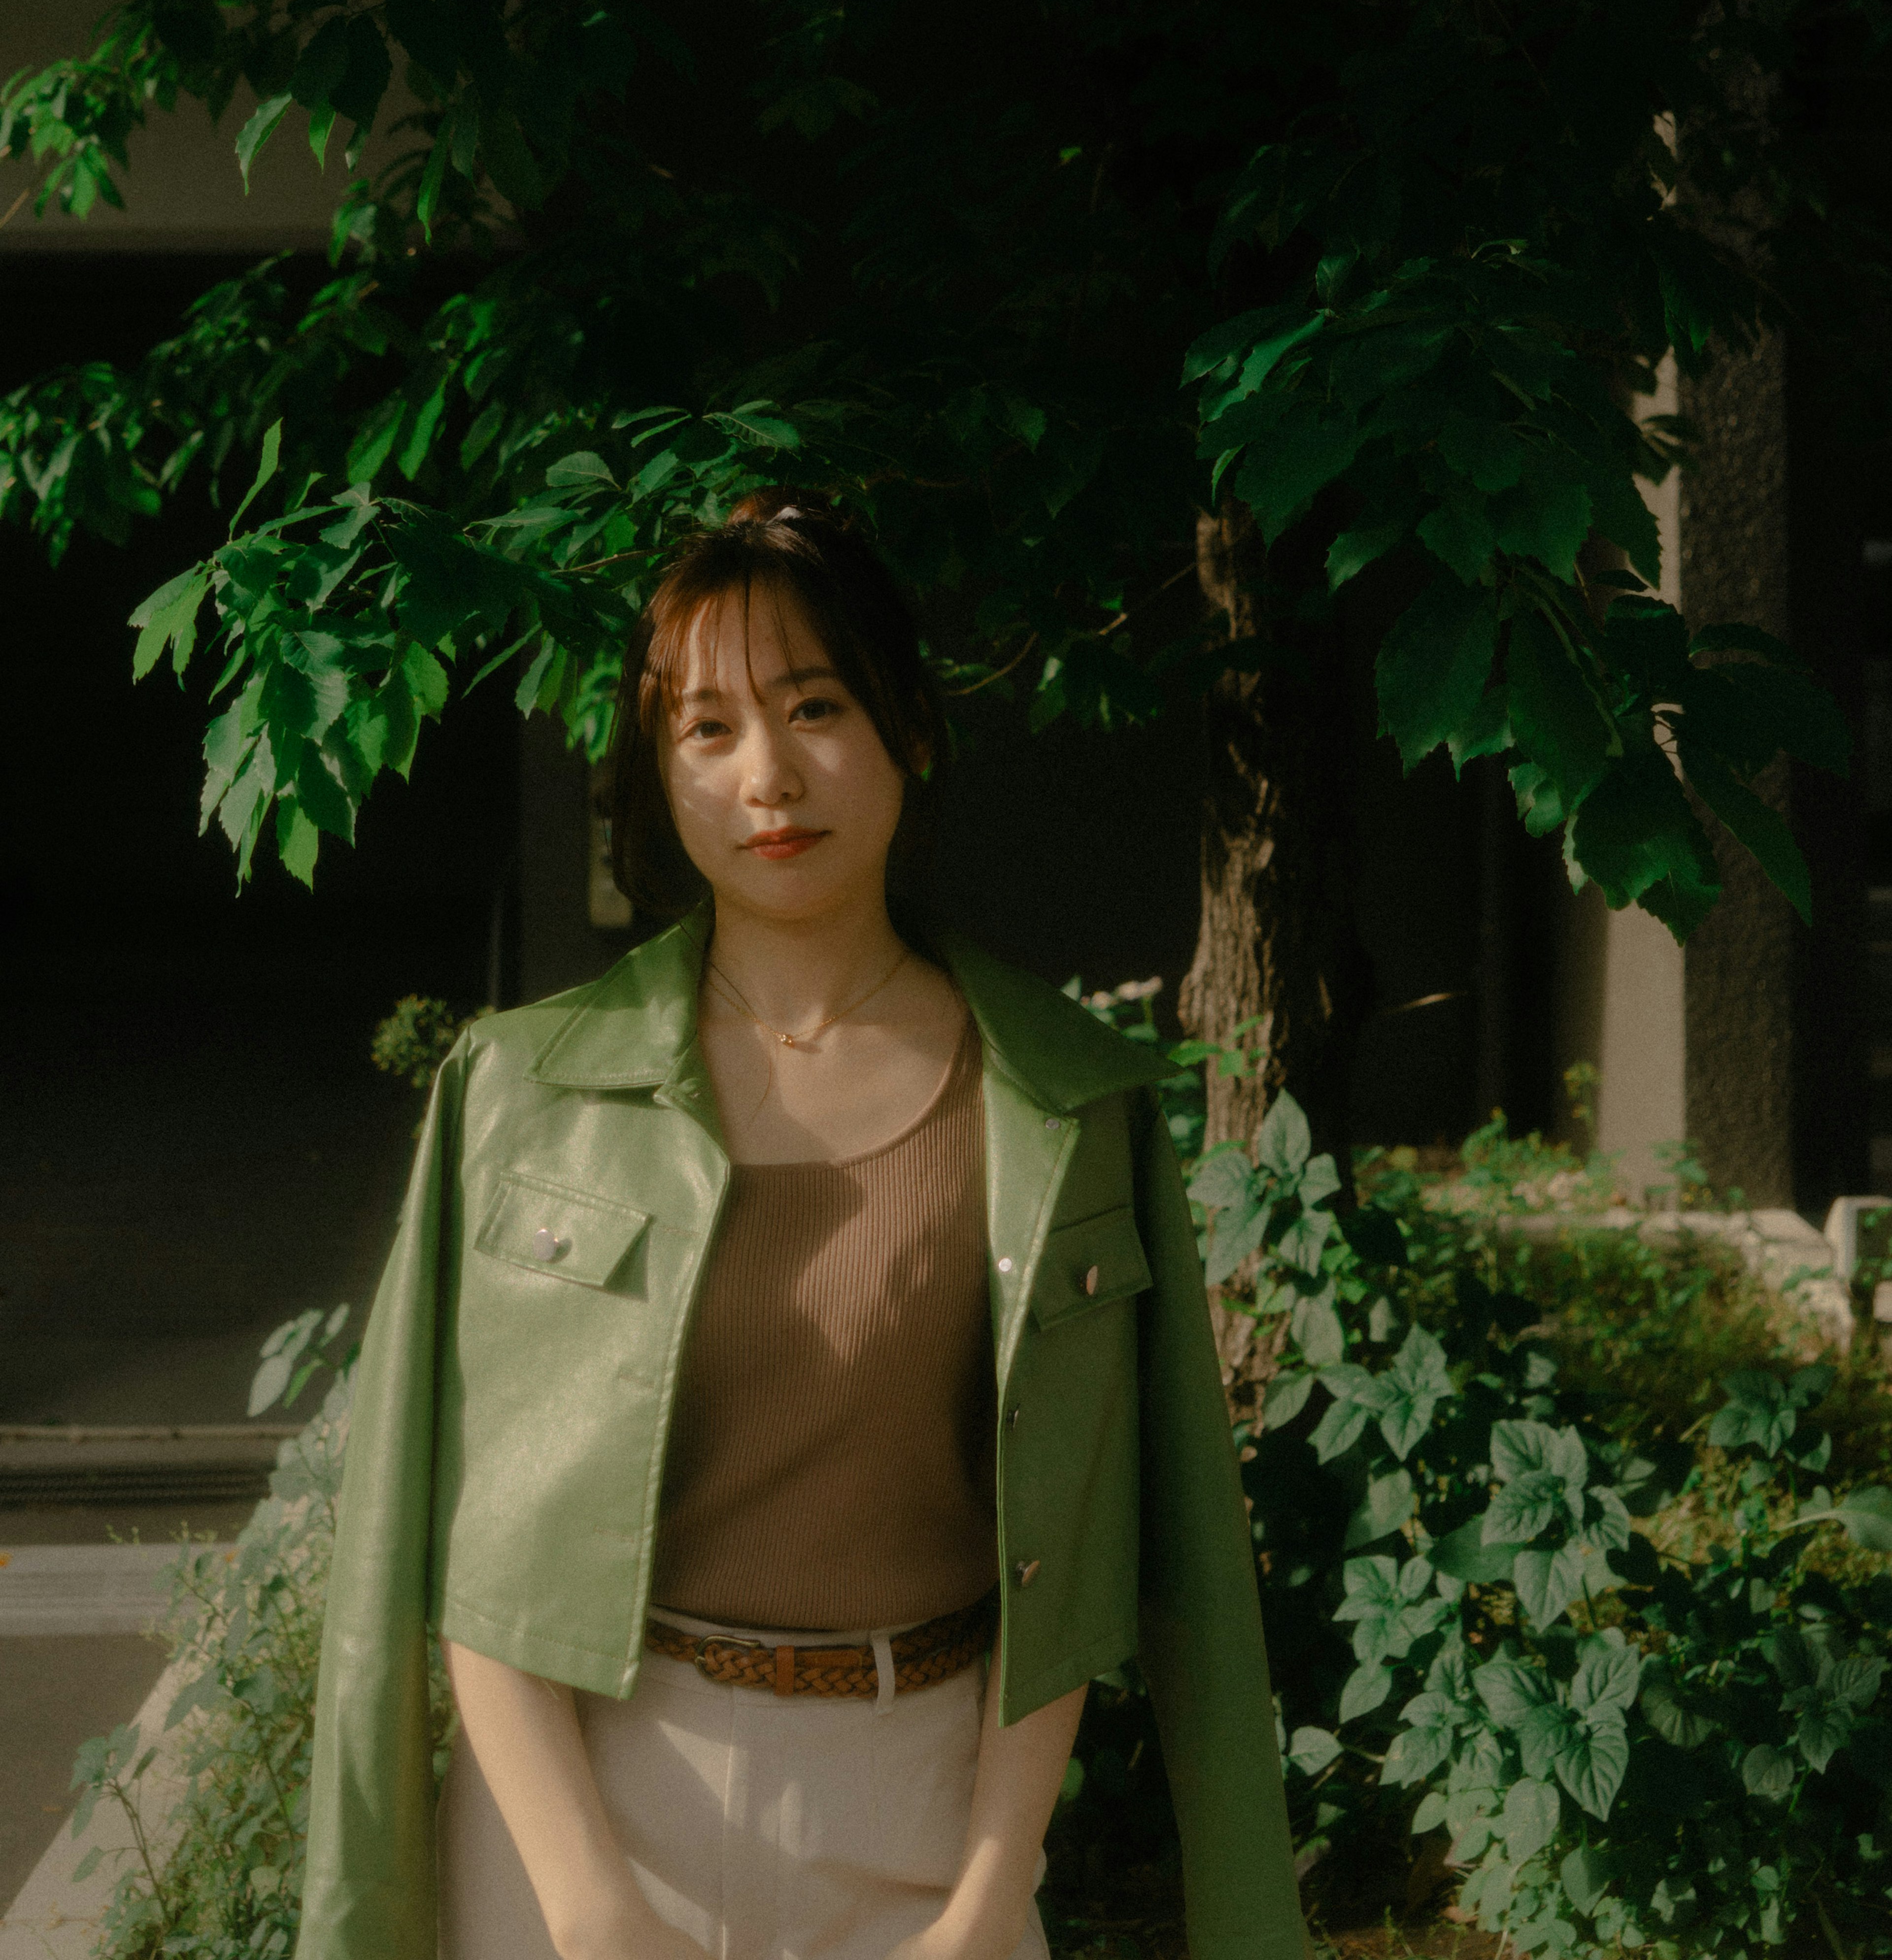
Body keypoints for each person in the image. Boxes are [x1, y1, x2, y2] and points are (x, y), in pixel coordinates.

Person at [295, 493, 1304, 1960]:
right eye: (707, 729)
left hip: (921, 1811)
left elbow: (1086, 1557)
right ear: (658, 776)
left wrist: (986, 1894)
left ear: (911, 727)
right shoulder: (526, 1090)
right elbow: (462, 1538)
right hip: (583, 1810)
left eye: (815, 705)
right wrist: (583, 1904)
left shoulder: (1065, 1103)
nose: (768, 775)